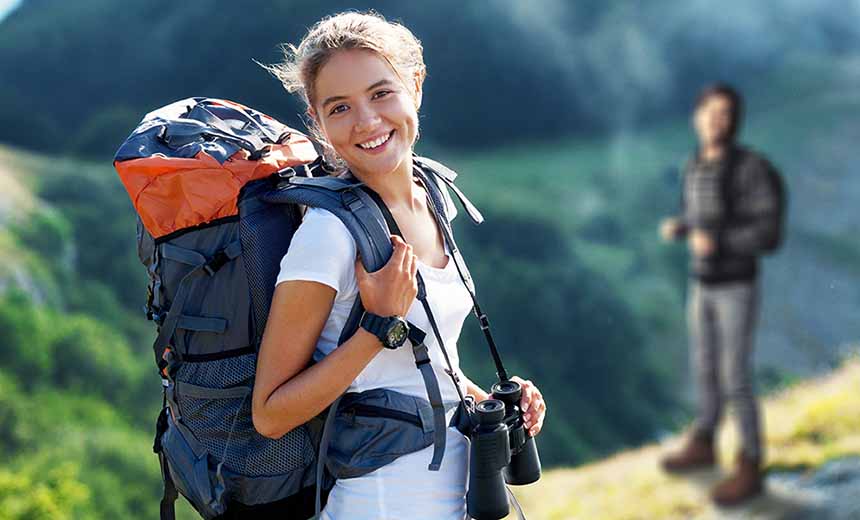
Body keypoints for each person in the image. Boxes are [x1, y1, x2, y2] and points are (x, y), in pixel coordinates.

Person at [251, 12, 546, 520]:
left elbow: (422, 362)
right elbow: (271, 414)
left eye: (381, 93)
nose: (366, 121)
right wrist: (377, 326)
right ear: (316, 120)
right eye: (340, 107)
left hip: (459, 495)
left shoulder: (434, 197)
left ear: (416, 85)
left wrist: (492, 397)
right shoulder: (327, 235)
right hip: (381, 503)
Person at [658, 83, 785, 506]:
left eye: (725, 113)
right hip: (702, 283)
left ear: (735, 120)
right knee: (706, 367)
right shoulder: (696, 165)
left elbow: (768, 232)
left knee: (735, 376)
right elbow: (700, 218)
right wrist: (684, 228)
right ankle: (706, 440)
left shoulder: (752, 168)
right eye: (710, 112)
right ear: (697, 116)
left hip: (735, 285)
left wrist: (720, 240)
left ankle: (750, 462)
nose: (716, 120)